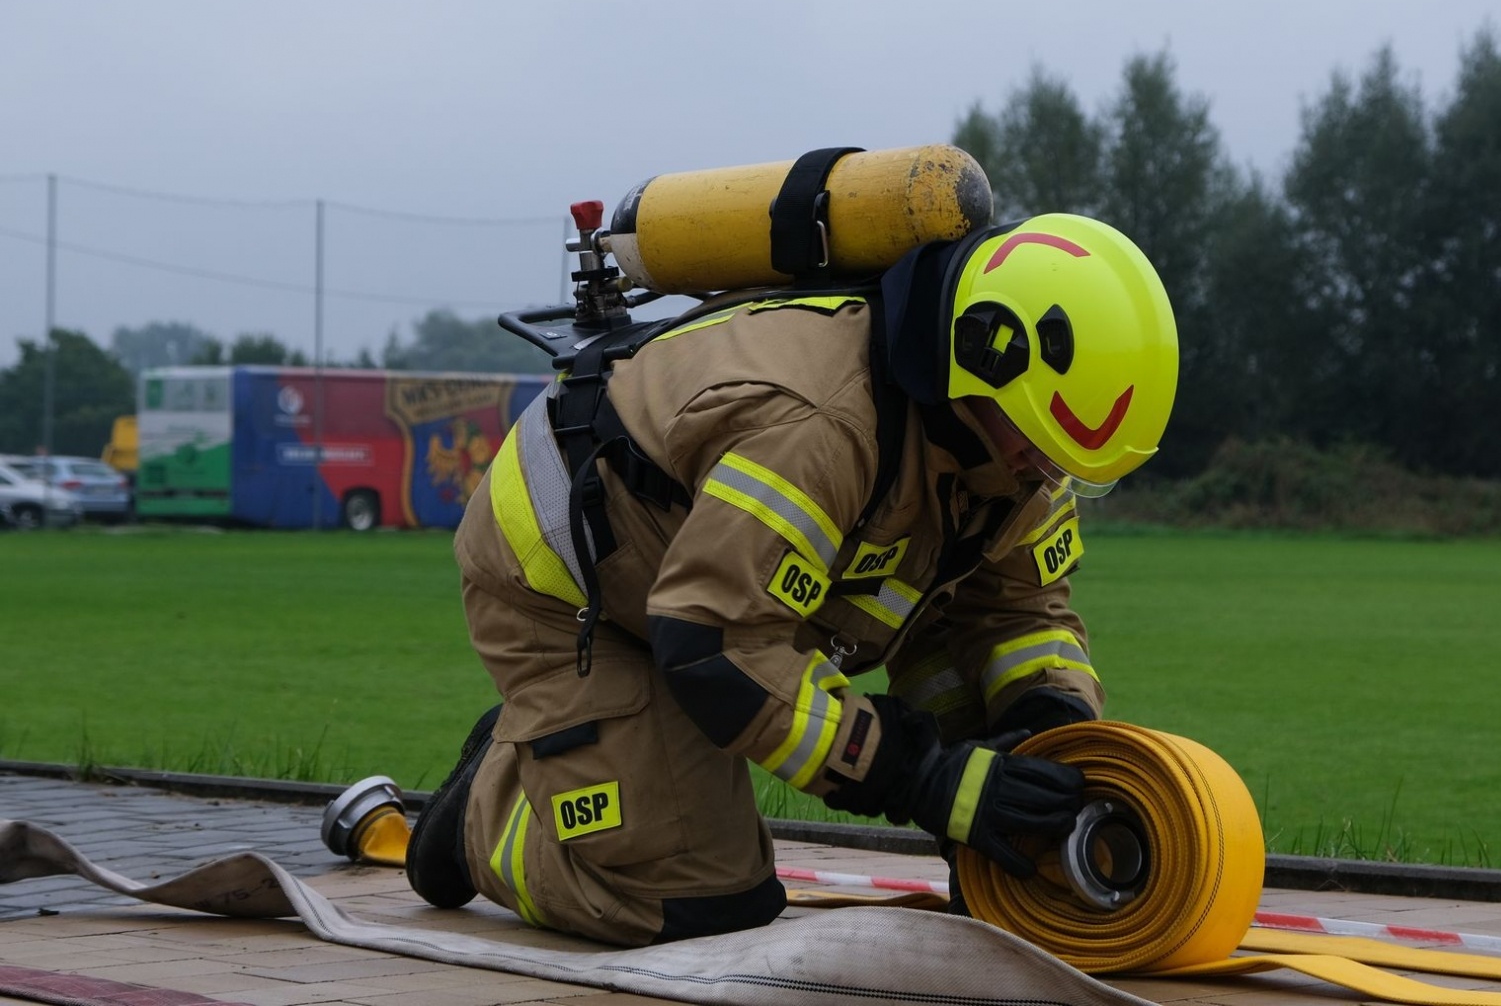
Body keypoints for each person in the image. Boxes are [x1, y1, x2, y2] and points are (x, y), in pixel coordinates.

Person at [405, 212, 1180, 945]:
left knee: (977, 696)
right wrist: (918, 776)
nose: (1045, 475)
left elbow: (1020, 612)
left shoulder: (1010, 452)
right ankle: (489, 810)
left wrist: (1045, 729)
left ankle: (589, 754)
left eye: (1069, 465)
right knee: (704, 896)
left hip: (715, 587)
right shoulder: (820, 425)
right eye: (1040, 445)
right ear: (982, 359)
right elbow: (718, 645)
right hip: (572, 594)